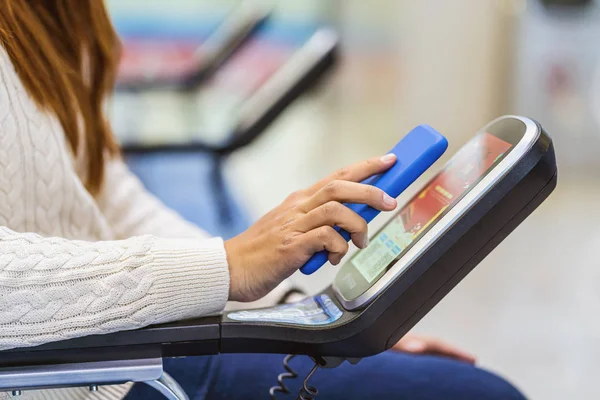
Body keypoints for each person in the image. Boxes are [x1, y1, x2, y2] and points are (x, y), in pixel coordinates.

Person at [0, 1, 526, 399]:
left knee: (458, 384)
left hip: (122, 337)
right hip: (82, 371)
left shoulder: (48, 14)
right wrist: (227, 264)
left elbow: (106, 193)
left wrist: (292, 314)